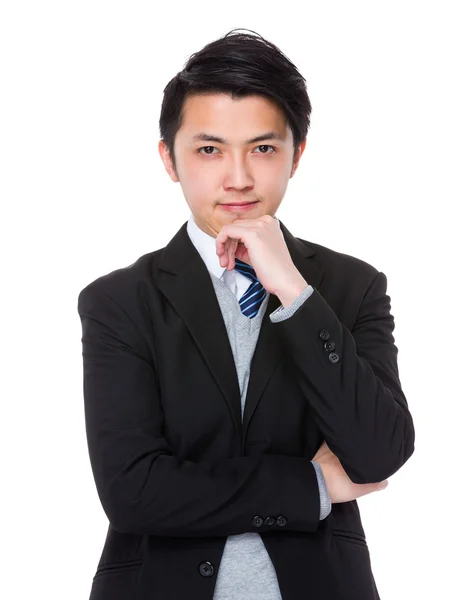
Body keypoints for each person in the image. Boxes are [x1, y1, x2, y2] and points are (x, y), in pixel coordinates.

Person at [77, 28, 415, 600]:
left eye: (263, 148)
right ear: (170, 159)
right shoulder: (119, 301)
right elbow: (133, 491)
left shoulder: (351, 287)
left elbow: (380, 452)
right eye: (209, 150)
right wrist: (313, 485)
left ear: (296, 154)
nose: (238, 178)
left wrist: (293, 290)